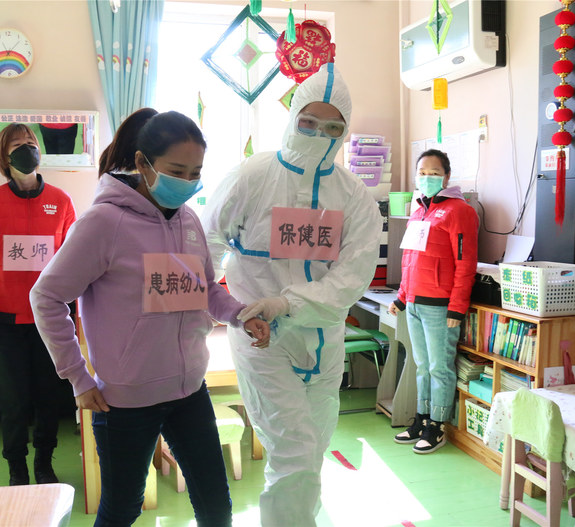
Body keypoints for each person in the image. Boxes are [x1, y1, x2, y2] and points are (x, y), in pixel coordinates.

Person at [30, 108, 270, 527]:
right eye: (177, 170)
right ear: (142, 163)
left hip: (189, 390)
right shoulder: (104, 222)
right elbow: (47, 297)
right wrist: (77, 377)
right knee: (122, 509)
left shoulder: (190, 221)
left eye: (196, 172)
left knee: (216, 503)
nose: (188, 182)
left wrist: (239, 314)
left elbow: (204, 288)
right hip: (125, 401)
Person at [201, 63, 383, 527]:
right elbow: (205, 243)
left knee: (312, 451)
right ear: (291, 117)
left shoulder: (354, 197)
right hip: (261, 336)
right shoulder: (253, 175)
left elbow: (353, 275)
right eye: (308, 122)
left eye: (332, 127)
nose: (318, 134)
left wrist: (291, 303)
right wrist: (216, 305)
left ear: (344, 133)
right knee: (294, 452)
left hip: (325, 338)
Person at [0, 123, 77, 485]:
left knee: (49, 397)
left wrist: (75, 313)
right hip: (4, 321)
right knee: (14, 401)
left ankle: (44, 462)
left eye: (31, 142)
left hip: (49, 319)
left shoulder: (61, 201)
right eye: (18, 144)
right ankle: (16, 467)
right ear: (4, 156)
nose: (27, 147)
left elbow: (73, 261)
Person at [388, 148, 478, 454]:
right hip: (413, 303)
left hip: (440, 306)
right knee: (421, 366)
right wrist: (401, 298)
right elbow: (410, 260)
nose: (427, 178)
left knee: (440, 368)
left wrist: (457, 306)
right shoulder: (418, 211)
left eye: (434, 173)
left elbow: (466, 263)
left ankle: (437, 426)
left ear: (447, 176)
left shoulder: (459, 211)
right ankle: (422, 419)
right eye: (422, 173)